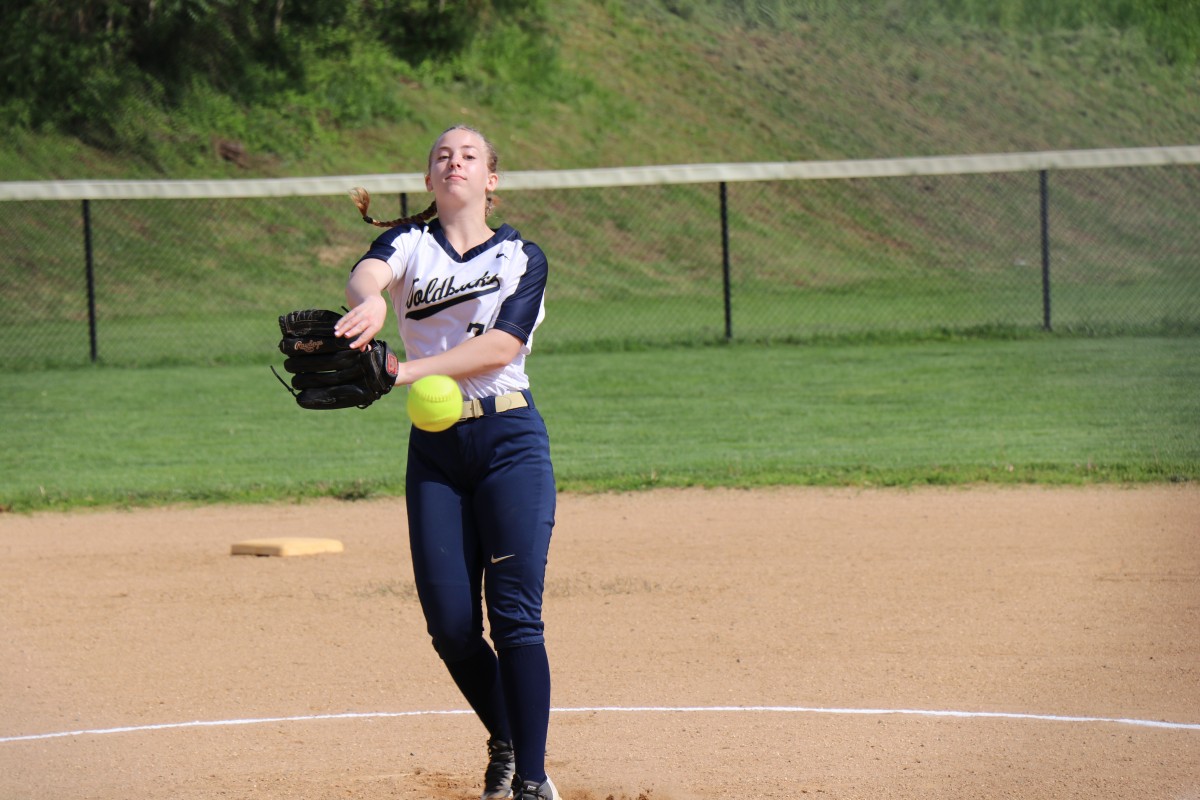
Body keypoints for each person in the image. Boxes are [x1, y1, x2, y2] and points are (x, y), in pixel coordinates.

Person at [333, 125, 560, 800]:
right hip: (436, 453)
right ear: (429, 181)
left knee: (515, 616)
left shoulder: (521, 255)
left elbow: (500, 348)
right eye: (441, 156)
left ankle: (534, 782)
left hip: (509, 439)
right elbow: (368, 272)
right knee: (453, 627)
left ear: (490, 178)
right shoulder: (410, 246)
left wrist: (402, 370)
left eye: (468, 155)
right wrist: (369, 298)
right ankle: (508, 739)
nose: (453, 161)